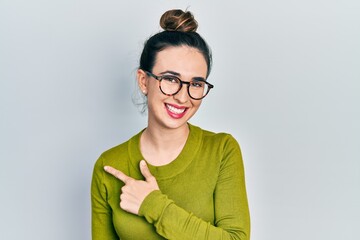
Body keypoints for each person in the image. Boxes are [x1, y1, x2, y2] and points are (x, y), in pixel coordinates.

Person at [91, 9, 250, 240]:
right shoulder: (109, 165)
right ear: (144, 81)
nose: (183, 97)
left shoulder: (221, 150)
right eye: (170, 79)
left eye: (196, 84)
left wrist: (153, 205)